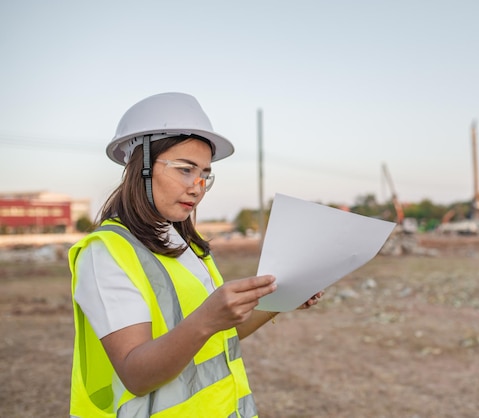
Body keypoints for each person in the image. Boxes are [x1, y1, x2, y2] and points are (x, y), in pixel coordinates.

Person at [68, 92, 322, 418]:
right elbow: (136, 374)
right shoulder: (106, 253)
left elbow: (218, 333)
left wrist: (280, 301)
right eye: (185, 170)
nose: (197, 187)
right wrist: (207, 318)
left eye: (204, 174)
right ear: (141, 167)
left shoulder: (184, 243)